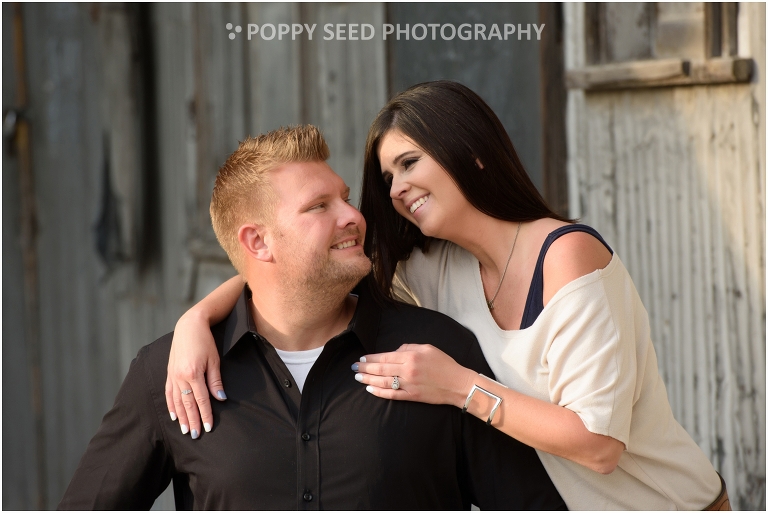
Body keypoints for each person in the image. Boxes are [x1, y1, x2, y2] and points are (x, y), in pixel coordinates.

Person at [167, 83, 729, 510]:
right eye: (387, 176)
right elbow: (297, 274)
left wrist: (461, 387)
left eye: (409, 163)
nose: (395, 188)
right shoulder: (434, 270)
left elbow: (599, 445)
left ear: (472, 151)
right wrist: (199, 319)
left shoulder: (568, 257)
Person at [59, 125, 565, 510]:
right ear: (258, 242)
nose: (353, 215)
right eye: (319, 206)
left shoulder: (437, 352)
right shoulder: (169, 375)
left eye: (344, 197)